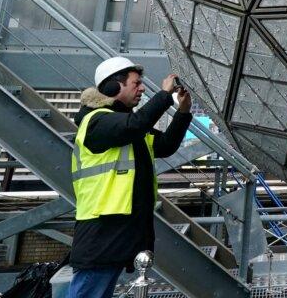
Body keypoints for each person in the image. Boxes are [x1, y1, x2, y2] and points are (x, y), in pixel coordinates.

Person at [67, 56, 193, 298]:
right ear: (114, 87)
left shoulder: (128, 126)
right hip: (102, 230)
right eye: (136, 83)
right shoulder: (97, 122)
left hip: (121, 228)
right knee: (90, 291)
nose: (142, 88)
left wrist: (183, 111)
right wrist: (165, 96)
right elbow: (134, 125)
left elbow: (165, 145)